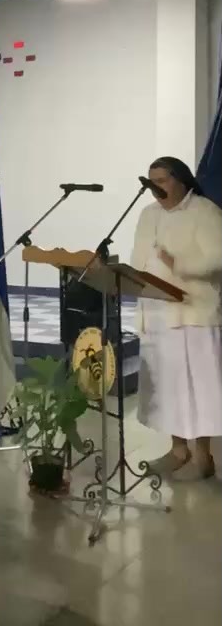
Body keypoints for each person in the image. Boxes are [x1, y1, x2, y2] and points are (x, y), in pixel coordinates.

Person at [131, 156, 222, 480]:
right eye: (151, 181)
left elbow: (218, 258)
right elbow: (138, 260)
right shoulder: (148, 214)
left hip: (193, 315)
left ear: (181, 180)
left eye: (162, 180)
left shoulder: (204, 211)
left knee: (198, 389)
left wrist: (178, 264)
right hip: (157, 313)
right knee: (168, 388)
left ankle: (203, 456)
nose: (155, 187)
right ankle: (178, 450)